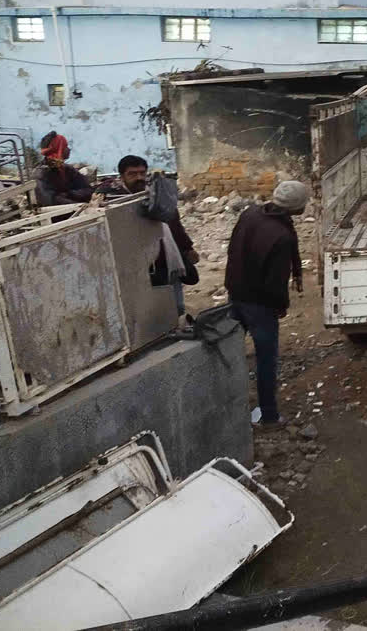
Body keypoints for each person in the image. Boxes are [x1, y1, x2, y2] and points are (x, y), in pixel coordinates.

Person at [225, 180, 308, 429]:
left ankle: (228, 406)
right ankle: (269, 416)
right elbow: (276, 281)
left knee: (230, 352)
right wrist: (280, 305)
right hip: (260, 304)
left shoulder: (250, 214)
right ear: (296, 207)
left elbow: (233, 249)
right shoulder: (281, 236)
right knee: (266, 359)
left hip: (236, 292)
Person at [102, 155, 201, 318]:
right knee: (146, 310)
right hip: (137, 265)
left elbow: (173, 222)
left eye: (142, 173)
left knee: (176, 307)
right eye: (132, 174)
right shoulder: (116, 202)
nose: (139, 178)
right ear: (122, 177)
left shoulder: (157, 195)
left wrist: (187, 247)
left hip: (166, 257)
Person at [33, 131, 93, 207]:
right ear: (58, 149)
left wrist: (68, 194)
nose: (69, 149)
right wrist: (78, 205)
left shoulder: (68, 170)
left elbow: (88, 190)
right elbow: (50, 202)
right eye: (65, 146)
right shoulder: (41, 175)